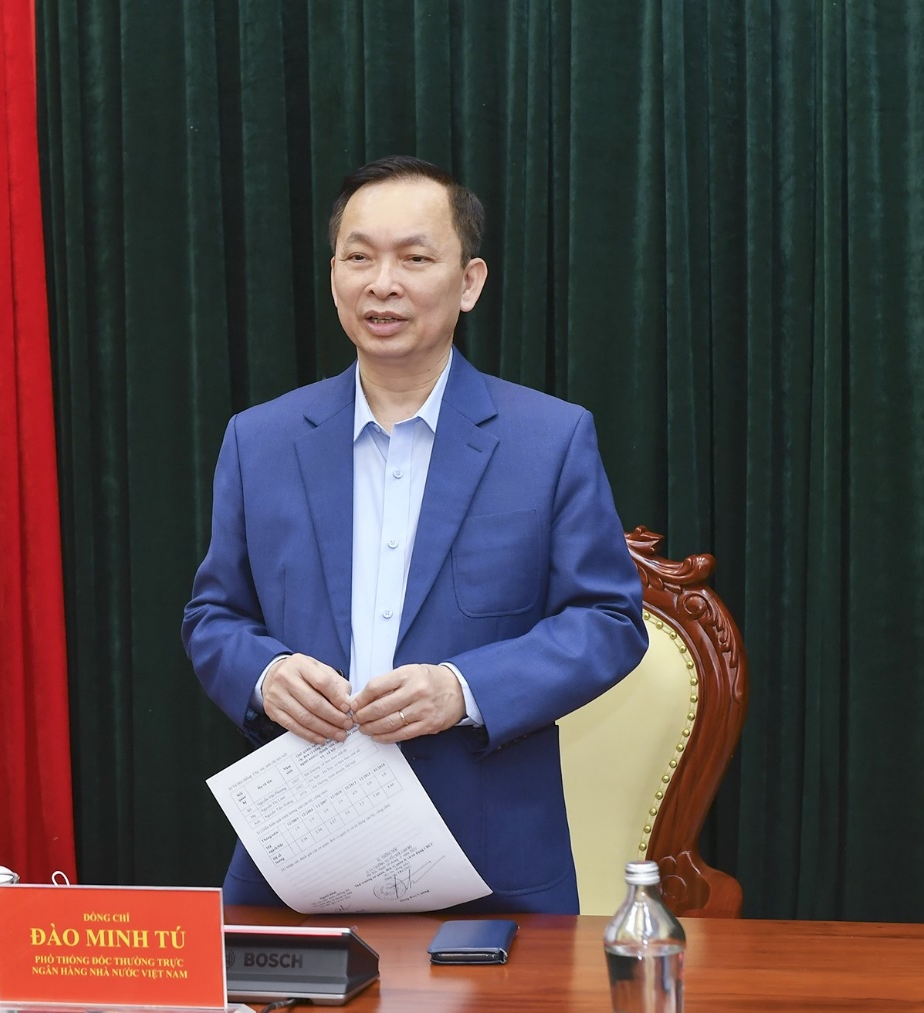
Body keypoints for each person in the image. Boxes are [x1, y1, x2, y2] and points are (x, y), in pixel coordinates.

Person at [182, 155, 648, 914]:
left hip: (492, 863)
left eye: (415, 258)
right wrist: (266, 675)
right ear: (333, 275)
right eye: (359, 257)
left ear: (469, 282)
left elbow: (608, 620)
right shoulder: (259, 441)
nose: (382, 283)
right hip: (298, 854)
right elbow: (213, 616)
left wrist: (464, 690)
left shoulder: (550, 439)